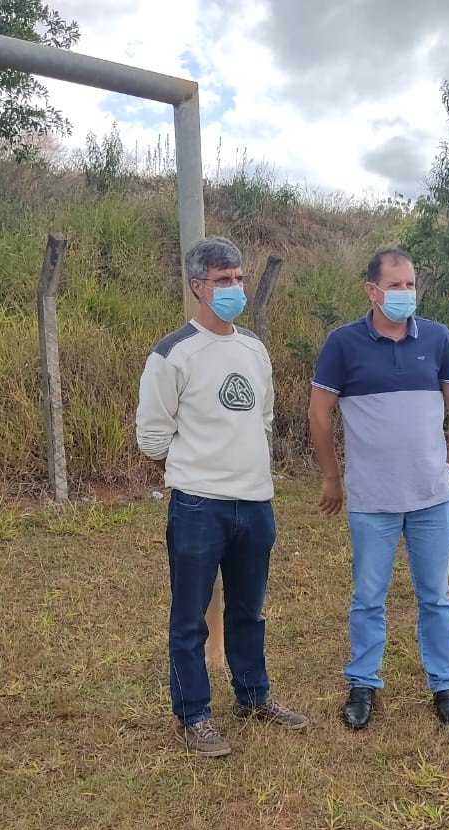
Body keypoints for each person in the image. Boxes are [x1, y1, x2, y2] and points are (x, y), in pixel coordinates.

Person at [136, 235, 307, 757]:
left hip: (255, 504)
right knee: (189, 616)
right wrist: (199, 464)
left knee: (248, 611)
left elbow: (264, 416)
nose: (234, 288)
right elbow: (152, 438)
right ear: (197, 287)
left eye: (238, 278)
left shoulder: (254, 348)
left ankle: (254, 696)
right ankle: (194, 716)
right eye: (222, 280)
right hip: (197, 506)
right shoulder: (173, 354)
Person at [308, 247, 449, 729]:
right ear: (372, 290)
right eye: (395, 285)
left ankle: (445, 684)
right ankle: (363, 684)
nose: (405, 294)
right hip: (372, 500)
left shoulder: (438, 339)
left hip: (431, 496)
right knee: (368, 597)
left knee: (435, 595)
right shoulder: (343, 344)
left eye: (410, 284)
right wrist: (332, 477)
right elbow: (319, 414)